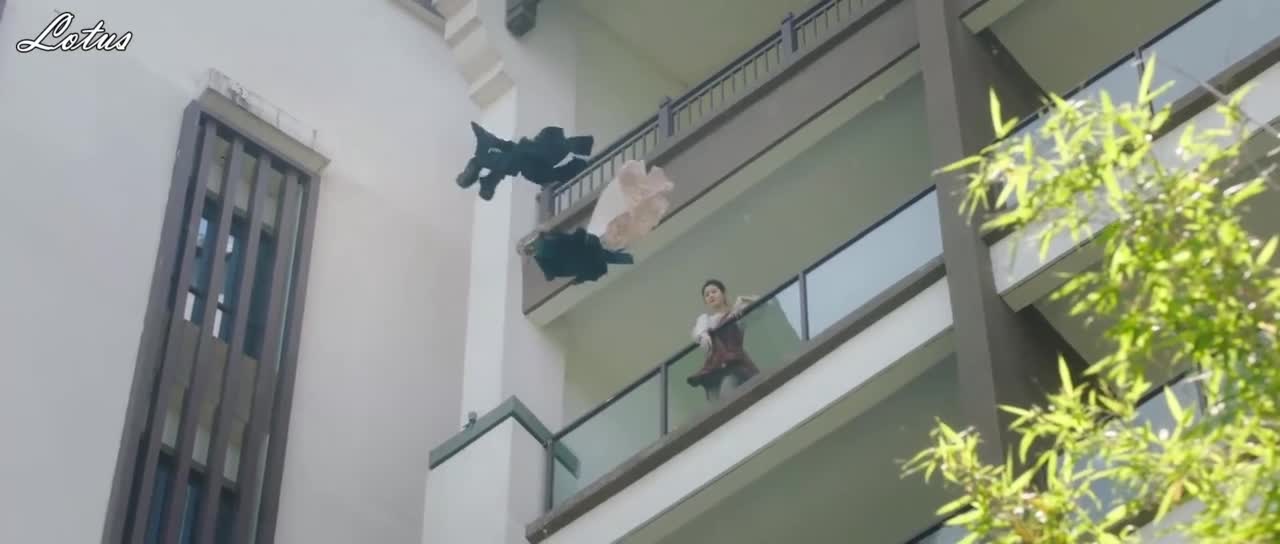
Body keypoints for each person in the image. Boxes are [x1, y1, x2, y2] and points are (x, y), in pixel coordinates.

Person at [686, 279, 760, 401]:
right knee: (716, 404)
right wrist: (703, 334)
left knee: (728, 393)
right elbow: (698, 333)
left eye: (714, 291)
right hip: (714, 370)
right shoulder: (706, 320)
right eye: (707, 295)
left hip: (735, 365)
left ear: (723, 294)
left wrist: (743, 299)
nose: (710, 296)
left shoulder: (736, 313)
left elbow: (765, 304)